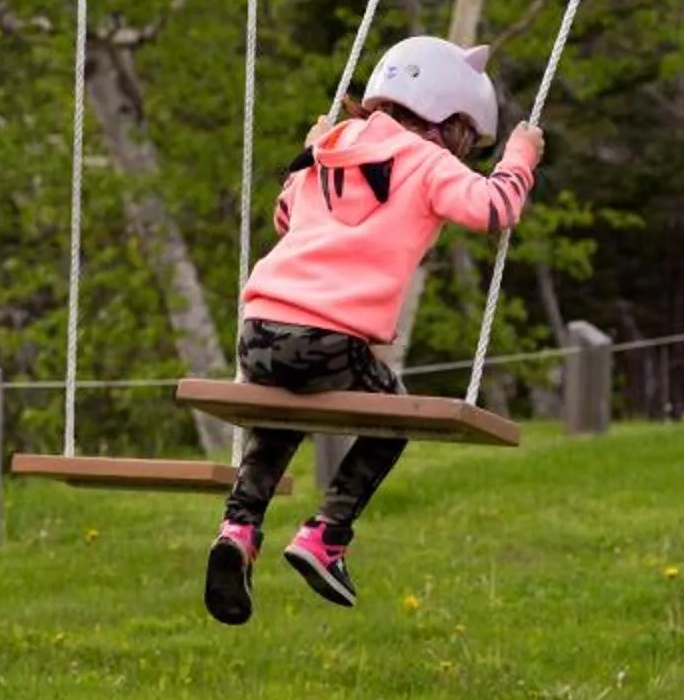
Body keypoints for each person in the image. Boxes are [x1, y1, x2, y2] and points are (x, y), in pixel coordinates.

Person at [205, 35, 543, 624]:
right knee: (393, 417)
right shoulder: (429, 161)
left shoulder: (328, 146)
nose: (465, 151)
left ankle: (239, 527)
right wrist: (520, 155)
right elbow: (495, 209)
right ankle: (325, 534)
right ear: (449, 117)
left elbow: (286, 217)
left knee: (283, 415)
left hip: (257, 332)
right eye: (468, 136)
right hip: (331, 337)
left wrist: (312, 150)